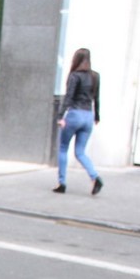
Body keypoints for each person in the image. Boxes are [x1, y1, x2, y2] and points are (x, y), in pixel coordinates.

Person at [54, 47, 102, 195]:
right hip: (88, 115)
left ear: (76, 59)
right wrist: (97, 116)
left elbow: (68, 97)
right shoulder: (95, 76)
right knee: (80, 152)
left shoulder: (75, 76)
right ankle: (95, 177)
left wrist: (61, 116)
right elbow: (96, 98)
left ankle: (61, 183)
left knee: (63, 148)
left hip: (75, 114)